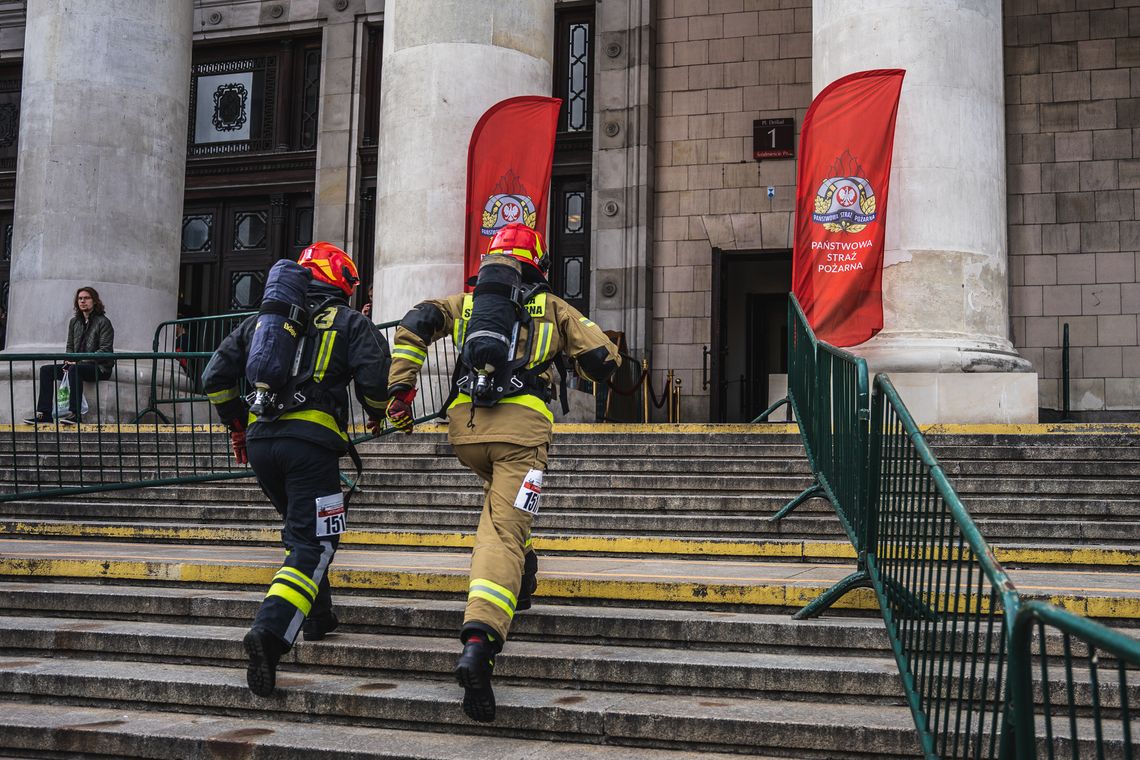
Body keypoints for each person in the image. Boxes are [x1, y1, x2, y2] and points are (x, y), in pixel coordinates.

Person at [385, 222, 620, 723]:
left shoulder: (466, 305)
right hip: (521, 434)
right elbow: (601, 358)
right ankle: (479, 643)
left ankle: (527, 570)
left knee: (503, 508)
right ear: (537, 262)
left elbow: (414, 323)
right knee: (501, 534)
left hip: (466, 430)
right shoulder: (552, 306)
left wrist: (401, 391)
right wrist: (607, 368)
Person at [201, 242, 390, 697]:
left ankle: (319, 617)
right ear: (343, 281)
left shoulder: (263, 323)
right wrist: (377, 412)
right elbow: (375, 377)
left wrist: (237, 425)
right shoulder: (349, 321)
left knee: (300, 531)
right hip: (310, 448)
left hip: (264, 444)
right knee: (315, 541)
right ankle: (269, 633)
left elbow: (213, 378)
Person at [25, 286, 115, 425]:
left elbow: (105, 351)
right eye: (80, 298)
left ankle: (75, 414)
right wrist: (68, 359)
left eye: (87, 298)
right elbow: (70, 346)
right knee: (46, 370)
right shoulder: (74, 322)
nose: (83, 301)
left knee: (75, 369)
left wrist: (79, 362)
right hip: (76, 366)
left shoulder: (103, 322)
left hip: (99, 368)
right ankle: (45, 414)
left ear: (95, 301)